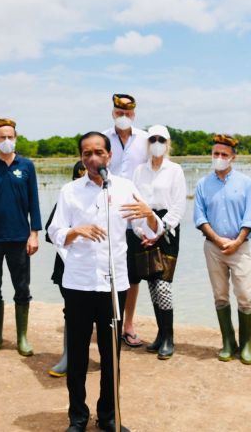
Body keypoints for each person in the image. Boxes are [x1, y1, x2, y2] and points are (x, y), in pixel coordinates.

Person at [47, 131, 162, 432]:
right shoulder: (70, 191)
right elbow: (54, 232)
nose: (93, 158)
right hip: (79, 284)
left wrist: (150, 215)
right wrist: (75, 232)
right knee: (79, 353)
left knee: (111, 355)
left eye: (99, 152)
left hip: (114, 285)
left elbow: (149, 230)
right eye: (87, 153)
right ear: (82, 158)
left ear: (109, 156)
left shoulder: (124, 188)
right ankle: (78, 417)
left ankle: (109, 417)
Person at [0, 118, 42, 356]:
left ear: (16, 138)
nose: (6, 141)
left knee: (22, 288)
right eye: (1, 137)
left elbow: (34, 201)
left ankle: (22, 337)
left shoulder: (26, 166)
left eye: (9, 137)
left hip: (20, 238)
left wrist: (34, 234)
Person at [194, 134, 251, 365]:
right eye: (216, 154)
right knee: (220, 295)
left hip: (240, 247)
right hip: (213, 247)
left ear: (233, 157)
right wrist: (217, 239)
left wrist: (237, 241)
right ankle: (228, 341)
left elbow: (250, 216)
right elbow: (199, 216)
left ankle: (247, 343)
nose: (219, 158)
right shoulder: (203, 184)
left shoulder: (245, 183)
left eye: (224, 155)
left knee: (245, 295)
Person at [131, 125, 187, 360]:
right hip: (144, 228)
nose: (156, 143)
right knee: (153, 284)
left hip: (167, 230)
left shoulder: (175, 170)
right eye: (152, 139)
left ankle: (169, 337)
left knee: (163, 284)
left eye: (160, 139)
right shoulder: (139, 171)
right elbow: (134, 202)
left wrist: (160, 229)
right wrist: (139, 230)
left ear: (168, 143)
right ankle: (160, 334)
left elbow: (178, 206)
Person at [102, 93, 149, 348]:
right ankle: (107, 321)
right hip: (107, 213)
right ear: (113, 113)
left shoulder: (144, 139)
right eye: (119, 113)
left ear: (134, 114)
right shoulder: (102, 138)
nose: (123, 117)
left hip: (133, 215)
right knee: (105, 268)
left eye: (128, 113)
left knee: (132, 275)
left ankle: (128, 324)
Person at [45, 160, 87, 378]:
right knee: (71, 310)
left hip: (97, 267)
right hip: (66, 265)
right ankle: (68, 357)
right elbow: (50, 232)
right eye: (79, 177)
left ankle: (96, 356)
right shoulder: (67, 197)